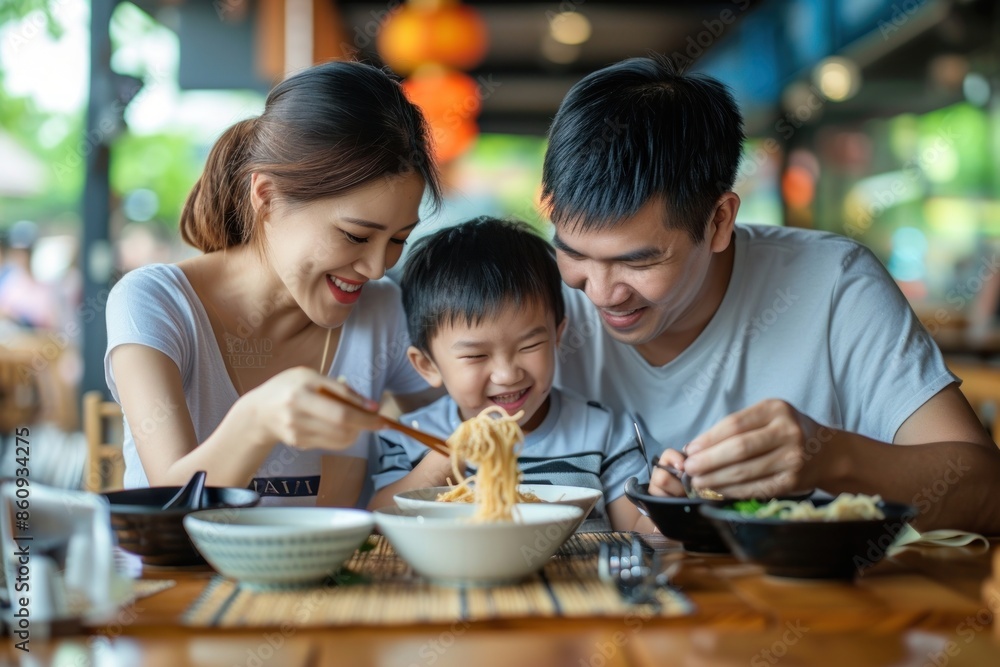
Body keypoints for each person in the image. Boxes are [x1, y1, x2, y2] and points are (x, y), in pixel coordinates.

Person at [541, 55, 1000, 533]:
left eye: (637, 262)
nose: (599, 292)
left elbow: (988, 492)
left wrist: (832, 458)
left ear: (719, 221)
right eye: (572, 254)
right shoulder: (535, 303)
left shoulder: (834, 285)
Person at [105, 61, 442, 507]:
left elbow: (455, 424)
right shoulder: (156, 303)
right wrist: (259, 418)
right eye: (355, 236)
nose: (377, 267)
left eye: (398, 239)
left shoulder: (381, 311)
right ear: (266, 196)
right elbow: (168, 507)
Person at [369, 217, 655, 532]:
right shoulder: (409, 439)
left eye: (529, 345)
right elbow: (380, 523)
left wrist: (670, 510)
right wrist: (446, 460)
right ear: (428, 365)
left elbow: (637, 532)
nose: (506, 375)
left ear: (557, 336)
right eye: (476, 355)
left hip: (576, 581)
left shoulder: (606, 433)